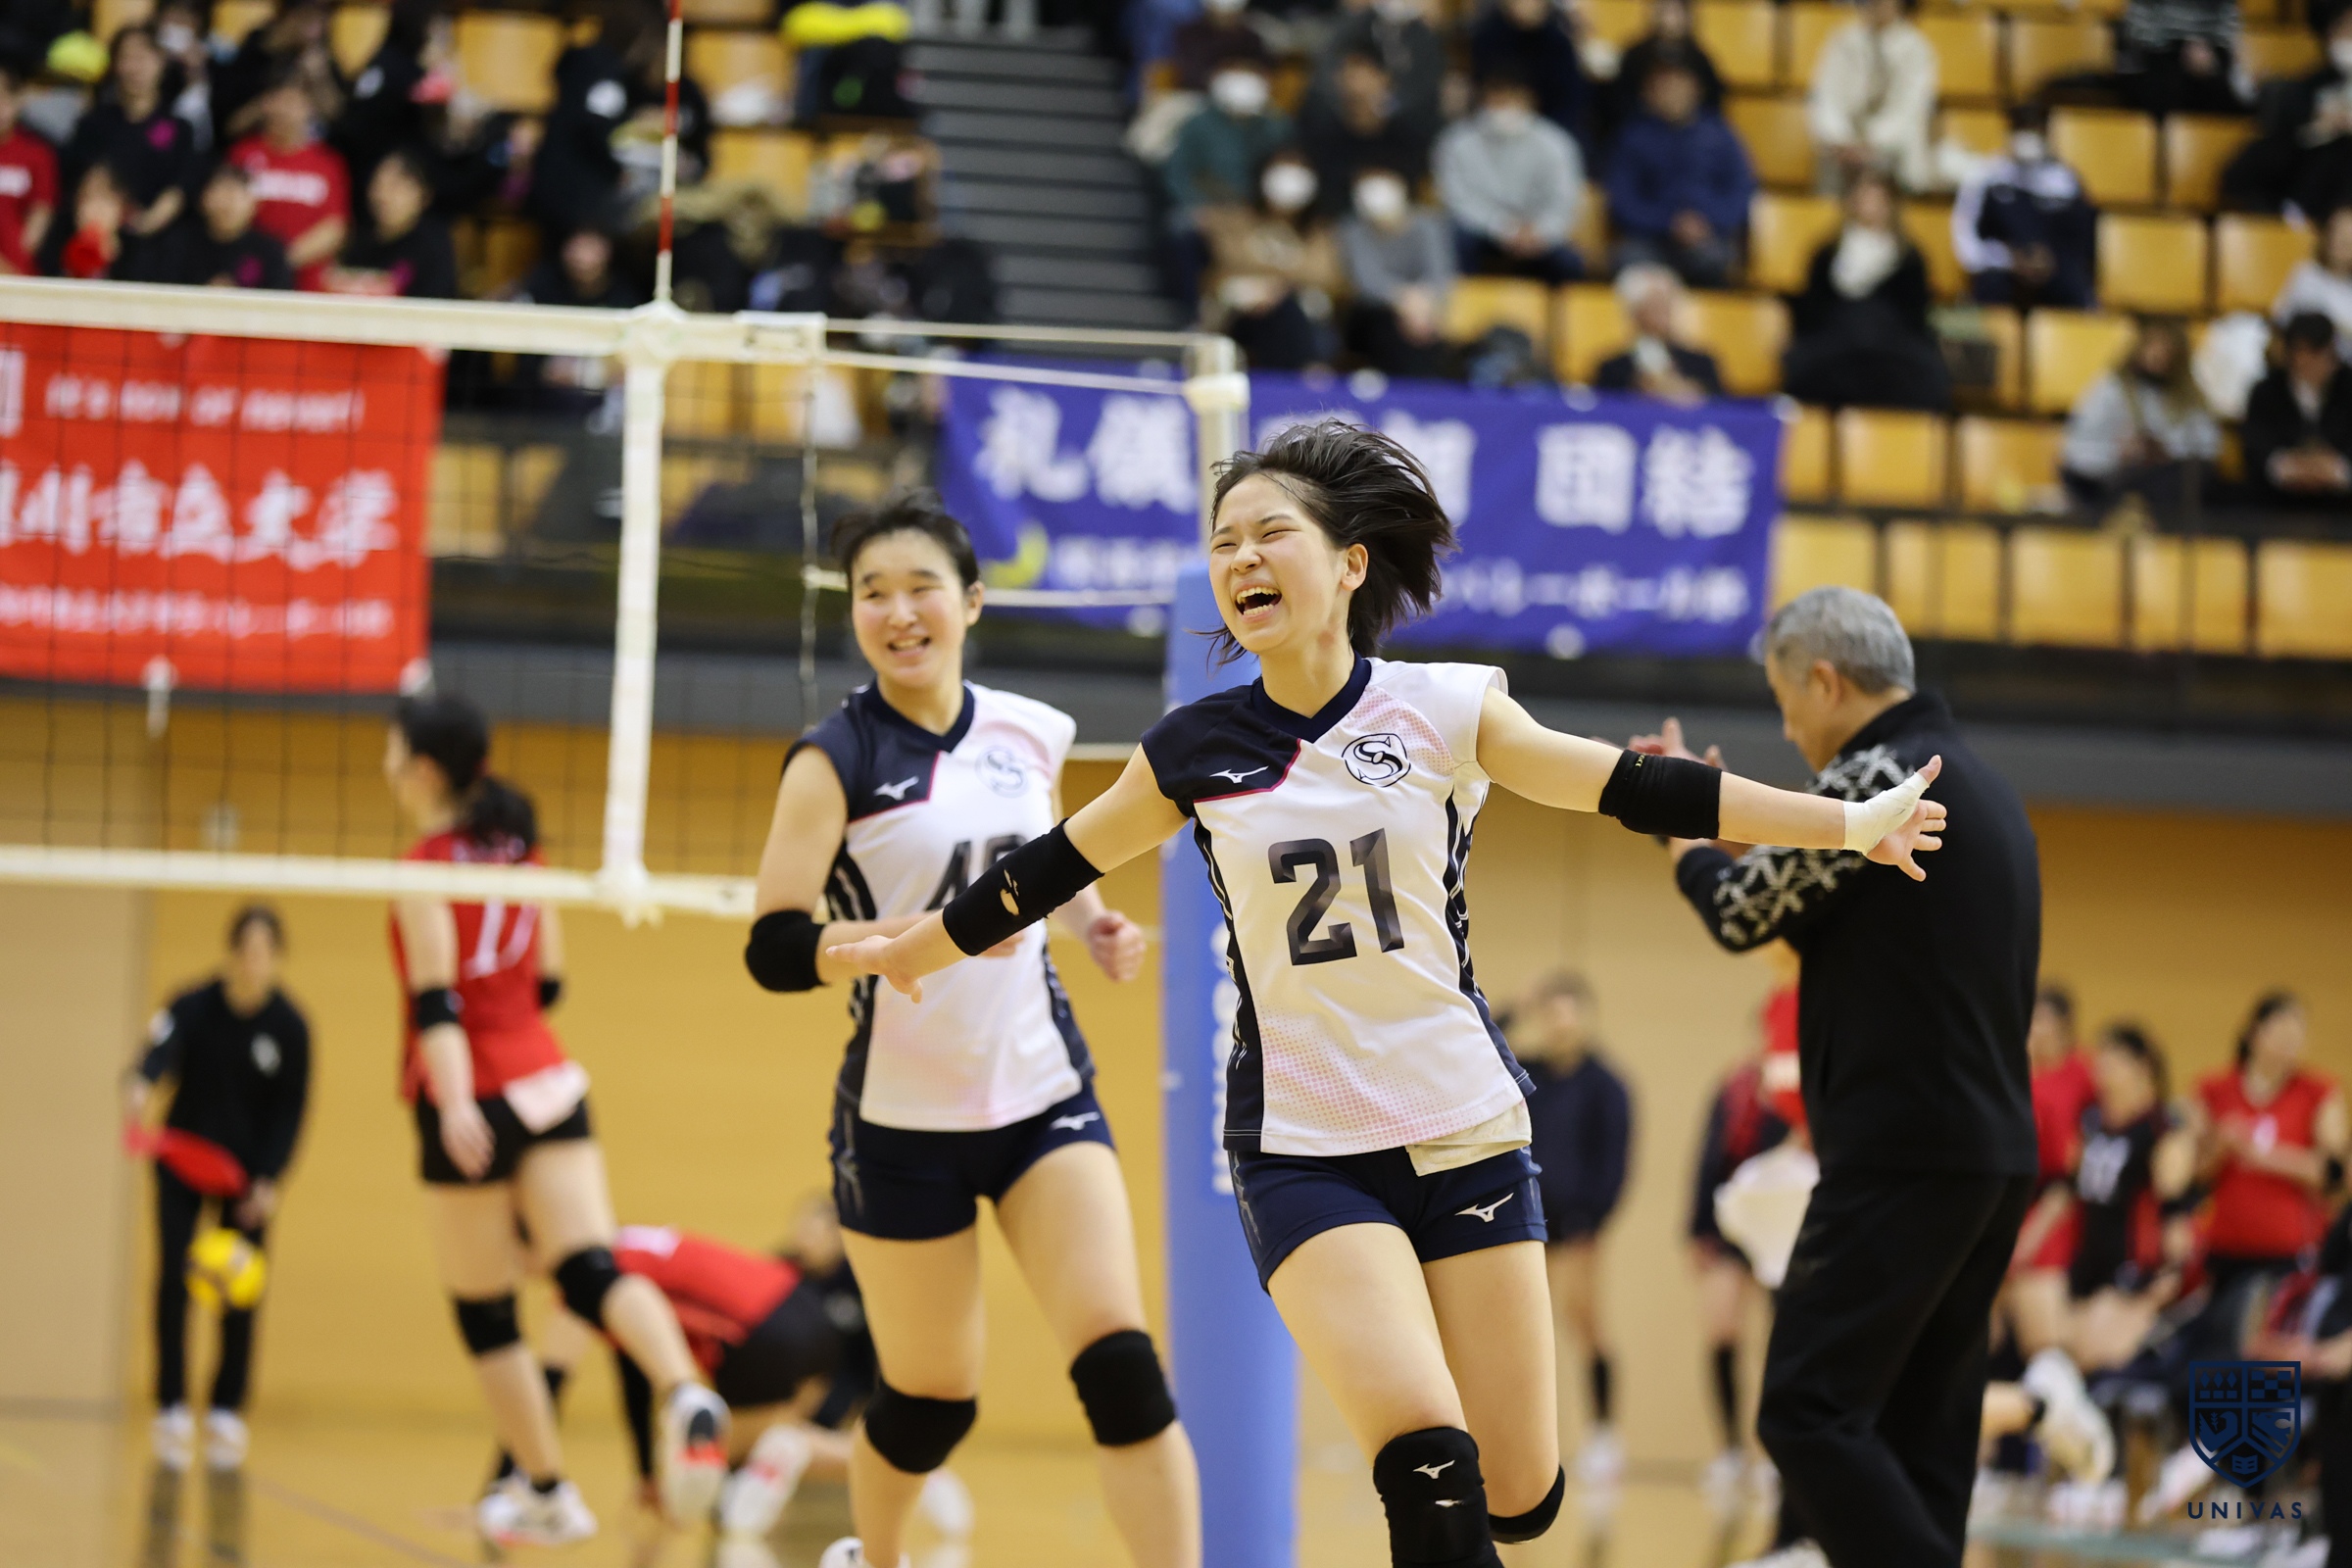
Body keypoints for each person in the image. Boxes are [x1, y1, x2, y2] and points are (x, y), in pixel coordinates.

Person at [827, 422, 1947, 1568]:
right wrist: (923, 946)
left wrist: (1847, 824)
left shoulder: (1443, 709)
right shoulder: (1190, 750)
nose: (1242, 558)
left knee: (1522, 1495)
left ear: (1350, 562)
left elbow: (1633, 785)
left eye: (1270, 533)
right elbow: (1048, 865)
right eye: (1224, 542)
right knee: (1428, 1457)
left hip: (1464, 1128)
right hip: (1303, 1144)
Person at [741, 491, 1201, 1568]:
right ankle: (875, 1556)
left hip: (1041, 1092)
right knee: (930, 1402)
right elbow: (773, 944)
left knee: (1124, 1371)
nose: (899, 612)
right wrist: (895, 942)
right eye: (873, 593)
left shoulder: (1029, 730)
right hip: (903, 1121)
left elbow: (1041, 854)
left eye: (922, 588)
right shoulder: (833, 759)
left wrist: (1090, 921)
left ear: (972, 601)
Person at [1636, 584, 2038, 1568]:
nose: (1787, 728)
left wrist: (1683, 833)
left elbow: (1742, 910)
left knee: (1805, 1410)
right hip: (1986, 1158)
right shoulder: (1975, 783)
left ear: (1825, 680)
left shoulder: (1880, 775)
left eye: (1786, 702)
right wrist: (1720, 823)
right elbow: (1812, 884)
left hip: (1901, 1153)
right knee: (1921, 1434)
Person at [383, 692, 731, 1547]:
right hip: (547, 1076)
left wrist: (457, 1101)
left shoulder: (423, 866)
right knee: (589, 1269)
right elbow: (548, 981)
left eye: (392, 751)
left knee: (487, 1315)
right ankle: (684, 1389)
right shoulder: (523, 853)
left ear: (423, 770)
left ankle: (546, 1488)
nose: (385, 765)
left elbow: (438, 1002)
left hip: (471, 1088)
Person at [500, 1218, 870, 1541]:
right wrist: (646, 1472)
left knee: (734, 1464)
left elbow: (546, 1388)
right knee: (773, 1447)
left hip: (758, 1332)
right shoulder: (623, 1243)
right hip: (805, 1311)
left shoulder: (583, 1276)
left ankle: (814, 1452)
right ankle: (890, 1461)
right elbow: (636, 1369)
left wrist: (503, 1482)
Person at [125, 906, 311, 1474]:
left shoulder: (290, 1028)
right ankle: (171, 1405)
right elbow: (157, 1052)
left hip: (245, 1178)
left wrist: (270, 1178)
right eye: (246, 949)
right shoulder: (192, 1005)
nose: (254, 961)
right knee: (174, 1279)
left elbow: (290, 1112)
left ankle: (227, 1408)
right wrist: (141, 1084)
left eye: (264, 951)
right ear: (232, 952)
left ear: (276, 957)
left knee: (240, 1287)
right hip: (183, 1163)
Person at [1514, 971, 1633, 1487]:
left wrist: (1592, 1219)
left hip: (1579, 1226)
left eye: (1568, 1013)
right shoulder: (1528, 1074)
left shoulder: (1607, 1085)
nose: (1559, 1024)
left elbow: (1615, 1162)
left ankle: (1604, 1435)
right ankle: (1525, 1436)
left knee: (1583, 1320)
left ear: (1584, 1017)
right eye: (1550, 1013)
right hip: (1527, 1220)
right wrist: (1514, 1009)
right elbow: (1480, 1051)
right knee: (1522, 1325)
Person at [1689, 987, 1793, 1504]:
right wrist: (1697, 1229)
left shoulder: (1796, 1093)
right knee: (1722, 1330)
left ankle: (1777, 1451)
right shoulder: (1733, 1085)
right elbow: (1707, 1158)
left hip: (1781, 1229)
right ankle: (1731, 1449)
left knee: (1782, 1344)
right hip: (1729, 1227)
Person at [2057, 1023, 2198, 1373]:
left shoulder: (2161, 1128)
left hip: (2133, 1268)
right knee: (2062, 1353)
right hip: (2087, 1262)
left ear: (2142, 1067)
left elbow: (2176, 1212)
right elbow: (2070, 1190)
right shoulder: (2091, 1121)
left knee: (2089, 1358)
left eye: (2113, 1059)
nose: (2102, 1067)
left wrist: (2168, 1280)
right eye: (2101, 1058)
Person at [2186, 991, 2346, 1297]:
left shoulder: (2318, 1092)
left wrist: (2260, 1156)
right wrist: (2220, 1146)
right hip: (2223, 1244)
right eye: (2282, 1032)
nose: (2290, 1042)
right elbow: (2196, 1176)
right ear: (2254, 1033)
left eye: (2298, 1035)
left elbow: (2332, 1173)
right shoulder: (2214, 1089)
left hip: (2289, 1250)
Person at [1781, 169, 1951, 412]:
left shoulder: (1910, 259)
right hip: (1836, 349)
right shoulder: (1827, 254)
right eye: (1864, 198)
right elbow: (1813, 311)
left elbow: (1916, 316)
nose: (1870, 206)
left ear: (1891, 205)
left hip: (1892, 353)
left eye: (1878, 199)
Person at [1605, 58, 1754, 288]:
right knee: (1629, 260)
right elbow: (1623, 201)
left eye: (1679, 85)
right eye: (1663, 86)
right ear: (1648, 94)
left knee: (1717, 260)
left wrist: (1705, 222)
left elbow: (1740, 192)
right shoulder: (1633, 139)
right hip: (1650, 240)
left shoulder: (1721, 137)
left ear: (1696, 90)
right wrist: (1668, 223)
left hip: (1707, 237)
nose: (1672, 93)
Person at [2005, 984, 2092, 1362]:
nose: (2034, 1028)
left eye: (2042, 1019)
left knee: (2045, 1344)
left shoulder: (2084, 1074)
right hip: (2008, 1204)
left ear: (2063, 1026)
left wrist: (2034, 1232)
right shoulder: (2012, 1070)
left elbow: (2072, 1168)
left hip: (2054, 1208)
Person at [1197, 147, 1344, 370]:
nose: (1289, 182)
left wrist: (1276, 285)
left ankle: (1300, 376)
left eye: (1299, 172)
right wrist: (1278, 279)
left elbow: (1326, 275)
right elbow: (1226, 262)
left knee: (1287, 310)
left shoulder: (1319, 231)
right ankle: (1308, 371)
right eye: (1282, 170)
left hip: (1297, 318)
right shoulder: (1237, 219)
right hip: (1240, 315)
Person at [1436, 69, 1586, 284]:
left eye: (1513, 99)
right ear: (1483, 101)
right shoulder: (1457, 142)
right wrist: (1503, 227)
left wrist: (1541, 231)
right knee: (1456, 241)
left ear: (1530, 101)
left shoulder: (1556, 143)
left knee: (1569, 263)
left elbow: (1565, 201)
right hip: (1482, 231)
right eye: (1498, 100)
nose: (1505, 107)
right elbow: (1458, 200)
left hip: (1537, 235)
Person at [2058, 316, 2221, 513]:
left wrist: (2166, 450)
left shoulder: (2188, 396)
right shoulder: (2111, 389)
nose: (2159, 354)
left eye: (2167, 348)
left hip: (2165, 482)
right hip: (2110, 481)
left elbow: (2207, 448)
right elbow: (2075, 452)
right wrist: (2119, 454)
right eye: (2153, 345)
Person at [1162, 60, 1291, 302]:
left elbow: (1285, 173)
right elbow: (1176, 174)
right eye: (1236, 75)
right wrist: (1199, 207)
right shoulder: (1198, 124)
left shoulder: (1276, 127)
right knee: (1180, 230)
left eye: (1250, 77)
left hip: (1254, 213)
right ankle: (1190, 306)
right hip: (1205, 207)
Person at [1951, 102, 2097, 311]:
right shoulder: (1985, 177)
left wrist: (2048, 260)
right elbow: (1967, 246)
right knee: (1991, 284)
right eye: (2022, 129)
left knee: (2074, 284)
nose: (2028, 139)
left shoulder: (2065, 181)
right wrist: (2010, 259)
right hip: (2004, 272)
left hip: (2054, 274)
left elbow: (2082, 241)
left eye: (2035, 130)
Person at [59, 24, 197, 243]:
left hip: (158, 239)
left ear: (161, 61)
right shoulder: (92, 124)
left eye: (143, 57)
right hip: (96, 234)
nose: (134, 68)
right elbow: (80, 183)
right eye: (126, 58)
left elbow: (180, 188)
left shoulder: (180, 129)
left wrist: (148, 222)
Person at [226, 65, 352, 289]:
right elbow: (225, 215)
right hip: (246, 281)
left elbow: (334, 228)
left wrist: (279, 261)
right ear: (265, 103)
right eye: (278, 100)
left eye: (293, 102)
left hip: (308, 287)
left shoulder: (327, 163)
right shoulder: (242, 155)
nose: (284, 110)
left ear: (309, 108)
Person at [2221, 6, 2352, 218]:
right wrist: (2316, 129)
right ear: (2331, 33)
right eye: (2349, 30)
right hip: (2291, 204)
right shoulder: (2299, 92)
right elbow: (2243, 175)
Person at [1806, 0, 1938, 194]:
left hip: (1892, 152)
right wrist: (1841, 139)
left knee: (1891, 164)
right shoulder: (1843, 40)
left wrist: (1870, 144)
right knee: (1828, 162)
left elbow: (1909, 112)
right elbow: (1825, 100)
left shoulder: (1916, 48)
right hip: (1842, 151)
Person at [1338, 167, 1456, 379]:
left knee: (1431, 328)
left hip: (1427, 310)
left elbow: (1441, 273)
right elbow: (1366, 280)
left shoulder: (1428, 224)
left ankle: (1427, 388)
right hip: (1377, 311)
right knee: (1385, 325)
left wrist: (1422, 304)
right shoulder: (1352, 230)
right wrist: (1404, 300)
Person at [1301, 50, 1429, 221]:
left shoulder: (1408, 137)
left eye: (1363, 73)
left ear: (1384, 78)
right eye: (1348, 74)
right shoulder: (1320, 136)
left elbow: (1424, 196)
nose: (1355, 84)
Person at [2244, 310, 2352, 511]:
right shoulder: (2266, 392)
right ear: (2290, 354)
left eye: (2319, 353)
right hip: (2277, 505)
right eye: (2304, 352)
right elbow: (2256, 447)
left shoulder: (2347, 387)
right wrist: (2290, 467)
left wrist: (2337, 468)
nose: (2312, 362)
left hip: (2342, 508)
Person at [1306, 0, 1447, 150]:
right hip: (1343, 137)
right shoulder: (1355, 27)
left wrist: (1386, 106)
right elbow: (1326, 69)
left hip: (1402, 138)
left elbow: (1427, 85)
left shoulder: (1420, 36)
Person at [1466, 0, 1594, 157]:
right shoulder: (1487, 38)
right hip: (1492, 130)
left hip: (1547, 130)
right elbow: (1480, 92)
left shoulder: (1559, 44)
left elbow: (1570, 103)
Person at [329, 146, 457, 297]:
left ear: (424, 195)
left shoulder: (434, 247)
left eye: (395, 186)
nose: (383, 196)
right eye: (379, 184)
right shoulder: (358, 242)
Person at [1593, 261, 1724, 401]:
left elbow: (1723, 406)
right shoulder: (1613, 369)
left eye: (1668, 303)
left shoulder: (1702, 364)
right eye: (1654, 305)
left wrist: (1692, 392)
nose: (1664, 312)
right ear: (1635, 312)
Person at [1604, 0, 1724, 151]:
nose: (1670, 19)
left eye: (1676, 12)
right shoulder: (1636, 55)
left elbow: (1713, 103)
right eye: (1665, 11)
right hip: (1645, 127)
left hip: (1691, 131)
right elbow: (1620, 99)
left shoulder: (1699, 58)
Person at [170, 162, 294, 288]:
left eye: (236, 195)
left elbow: (280, 294)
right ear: (203, 199)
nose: (227, 204)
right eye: (220, 193)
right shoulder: (178, 244)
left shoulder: (271, 251)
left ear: (254, 204)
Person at [2115, 0, 2245, 116]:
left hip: (2209, 50)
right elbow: (2138, 26)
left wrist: (2209, 48)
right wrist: (2181, 48)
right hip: (2157, 50)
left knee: (2228, 99)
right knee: (2162, 88)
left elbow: (2228, 21)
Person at [2273, 205, 2352, 356]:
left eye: (2348, 238)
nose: (2341, 242)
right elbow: (2281, 323)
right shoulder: (2306, 275)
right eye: (2337, 233)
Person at [0, 62, 57, 274]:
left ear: (18, 100)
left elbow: (41, 210)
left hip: (17, 269)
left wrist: (16, 261)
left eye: (6, 97)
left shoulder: (37, 154)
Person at [1167, 0, 1272, 93]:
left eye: (1230, 14)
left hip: (1247, 96)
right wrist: (1221, 71)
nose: (1225, 18)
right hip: (1198, 95)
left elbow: (1264, 68)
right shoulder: (1190, 35)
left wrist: (1244, 68)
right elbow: (1188, 71)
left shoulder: (1250, 38)